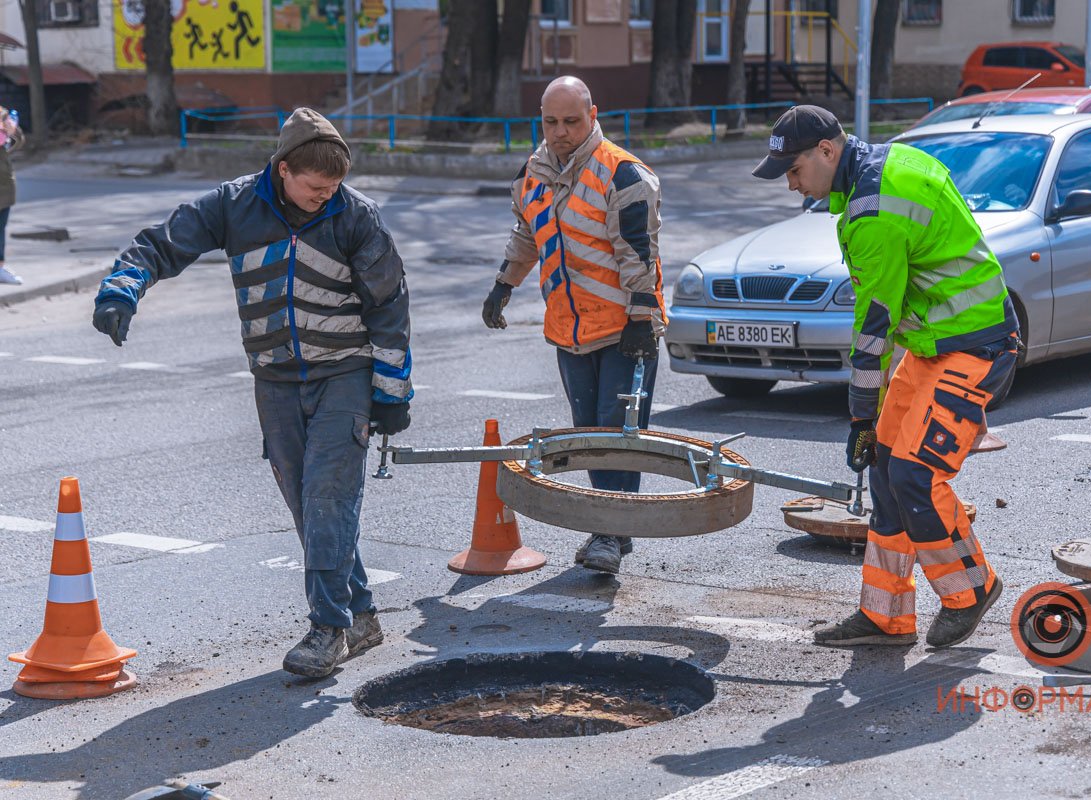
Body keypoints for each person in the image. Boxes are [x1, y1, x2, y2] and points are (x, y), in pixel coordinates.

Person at [90, 108, 413, 678]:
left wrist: (392, 391)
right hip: (276, 381)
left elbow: (390, 309)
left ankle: (327, 630)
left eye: (334, 187)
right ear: (283, 170)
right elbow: (161, 244)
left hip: (345, 375)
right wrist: (123, 289)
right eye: (316, 187)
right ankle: (360, 615)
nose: (326, 196)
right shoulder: (234, 205)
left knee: (327, 498)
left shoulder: (356, 216)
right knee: (306, 504)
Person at [752, 105, 1019, 649]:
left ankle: (972, 589)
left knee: (915, 477)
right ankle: (886, 616)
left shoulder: (872, 214)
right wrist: (871, 428)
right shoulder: (889, 162)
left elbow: (873, 332)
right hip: (933, 346)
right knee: (885, 472)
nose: (791, 184)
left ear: (828, 151)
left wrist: (859, 417)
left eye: (794, 168)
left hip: (974, 347)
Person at [482, 76, 666, 574]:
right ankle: (614, 528)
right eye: (550, 122)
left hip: (625, 328)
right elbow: (527, 233)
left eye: (571, 121)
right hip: (570, 332)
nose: (560, 132)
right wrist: (505, 284)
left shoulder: (623, 175)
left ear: (593, 114)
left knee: (617, 436)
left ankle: (608, 532)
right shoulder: (532, 175)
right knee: (590, 436)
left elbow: (638, 255)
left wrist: (642, 318)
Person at [0, 107, 25, 286]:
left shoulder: (2, 114)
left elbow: (18, 142)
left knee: (0, 229)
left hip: (4, 190)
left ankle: (0, 268)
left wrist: (11, 130)